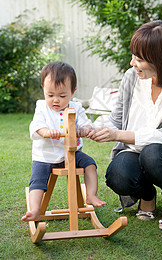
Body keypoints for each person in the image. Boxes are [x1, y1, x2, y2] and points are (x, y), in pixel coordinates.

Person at [88, 20, 162, 231]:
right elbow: (117, 119)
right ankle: (147, 195)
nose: (132, 63)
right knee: (118, 175)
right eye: (133, 56)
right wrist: (88, 127)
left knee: (153, 153)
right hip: (135, 151)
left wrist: (116, 134)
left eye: (139, 59)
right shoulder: (132, 77)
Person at [22, 62, 106, 222]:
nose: (56, 100)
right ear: (43, 89)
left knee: (90, 164)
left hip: (72, 154)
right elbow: (37, 126)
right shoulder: (41, 107)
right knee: (38, 179)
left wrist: (84, 129)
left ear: (72, 92)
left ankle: (91, 195)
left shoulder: (76, 107)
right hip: (45, 157)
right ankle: (34, 209)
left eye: (62, 96)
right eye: (50, 95)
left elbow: (87, 124)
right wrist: (47, 132)